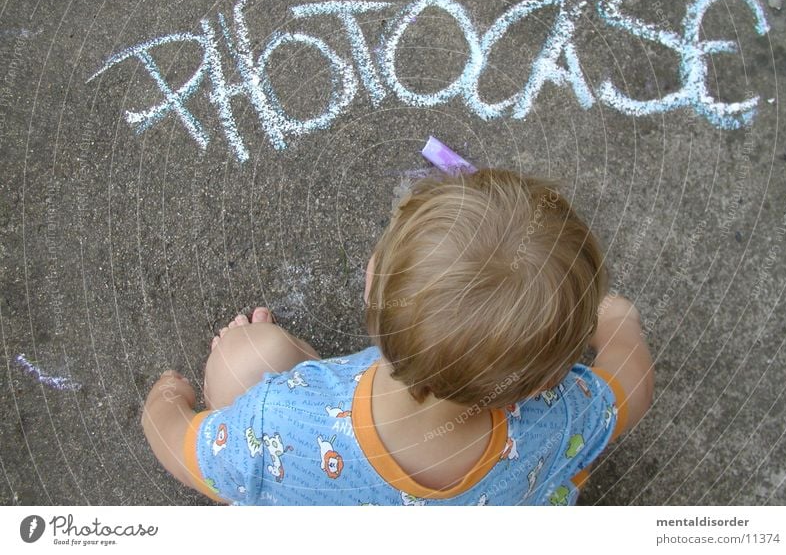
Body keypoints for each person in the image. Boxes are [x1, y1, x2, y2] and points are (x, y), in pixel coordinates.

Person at [142, 168, 654, 505]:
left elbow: (184, 454)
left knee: (249, 355)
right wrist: (616, 323)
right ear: (548, 377)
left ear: (373, 285)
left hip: (308, 454)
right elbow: (632, 381)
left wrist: (166, 399)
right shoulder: (562, 414)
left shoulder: (277, 424)